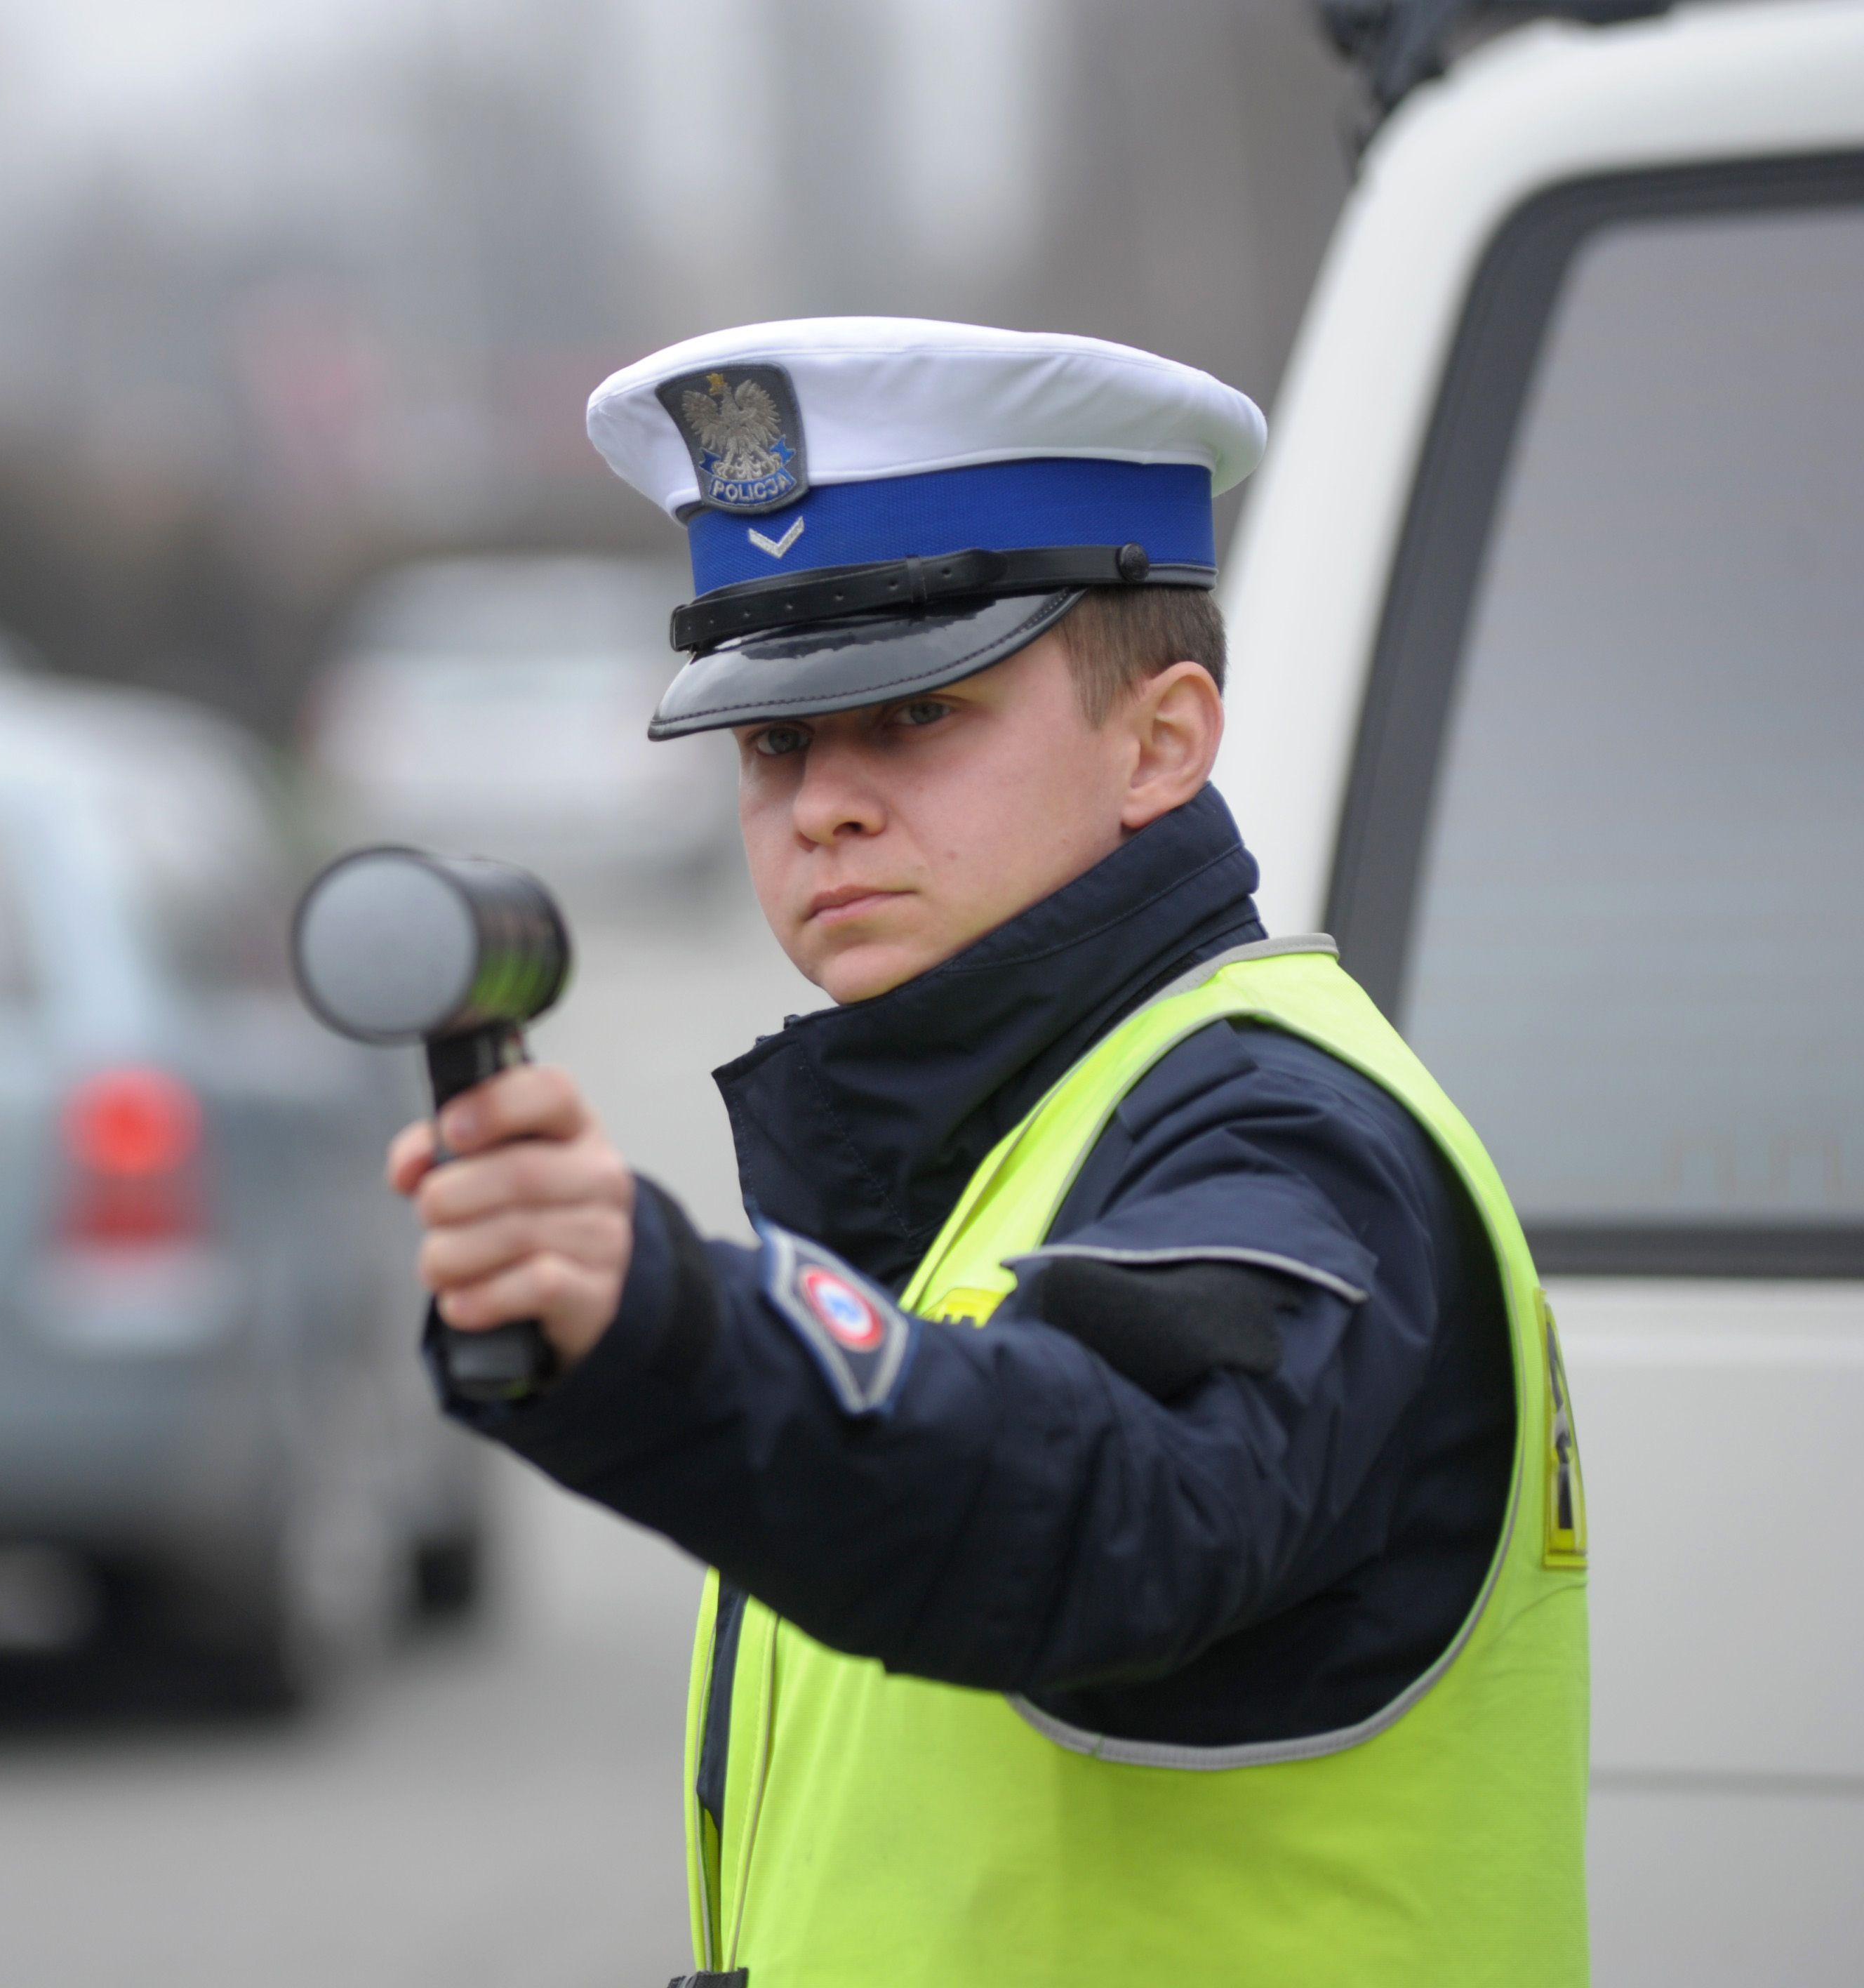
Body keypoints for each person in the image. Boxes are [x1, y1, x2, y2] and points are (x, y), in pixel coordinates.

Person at [387, 319, 1588, 1987]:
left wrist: (675, 1324)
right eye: (774, 743)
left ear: (1162, 740)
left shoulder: (1284, 1129)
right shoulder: (981, 1133)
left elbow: (1114, 1506)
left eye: (917, 714)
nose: (822, 804)